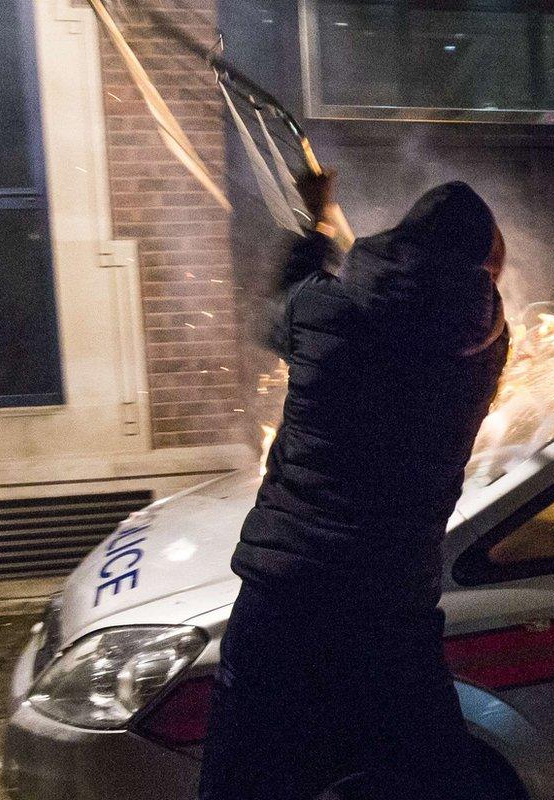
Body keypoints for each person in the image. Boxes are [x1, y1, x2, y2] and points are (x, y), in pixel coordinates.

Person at [197, 171, 509, 800]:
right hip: (392, 610)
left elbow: (277, 310)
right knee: (432, 783)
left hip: (288, 599)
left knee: (243, 782)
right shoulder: (482, 355)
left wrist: (317, 222)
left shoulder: (323, 313)